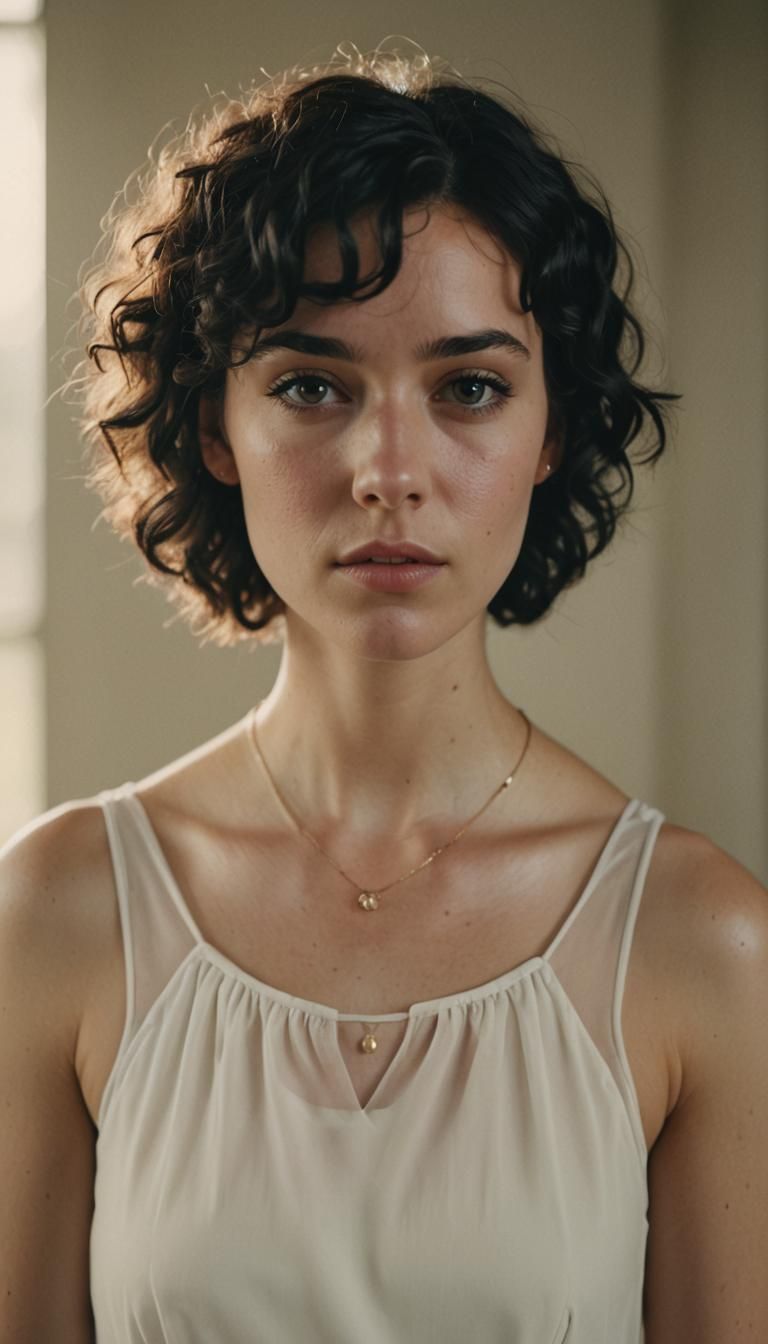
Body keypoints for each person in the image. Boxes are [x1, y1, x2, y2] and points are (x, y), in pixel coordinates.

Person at [1, 40, 766, 1344]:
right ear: (214, 425)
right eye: (312, 385)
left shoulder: (705, 943)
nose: (388, 469)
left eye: (470, 388)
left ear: (551, 431)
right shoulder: (58, 914)